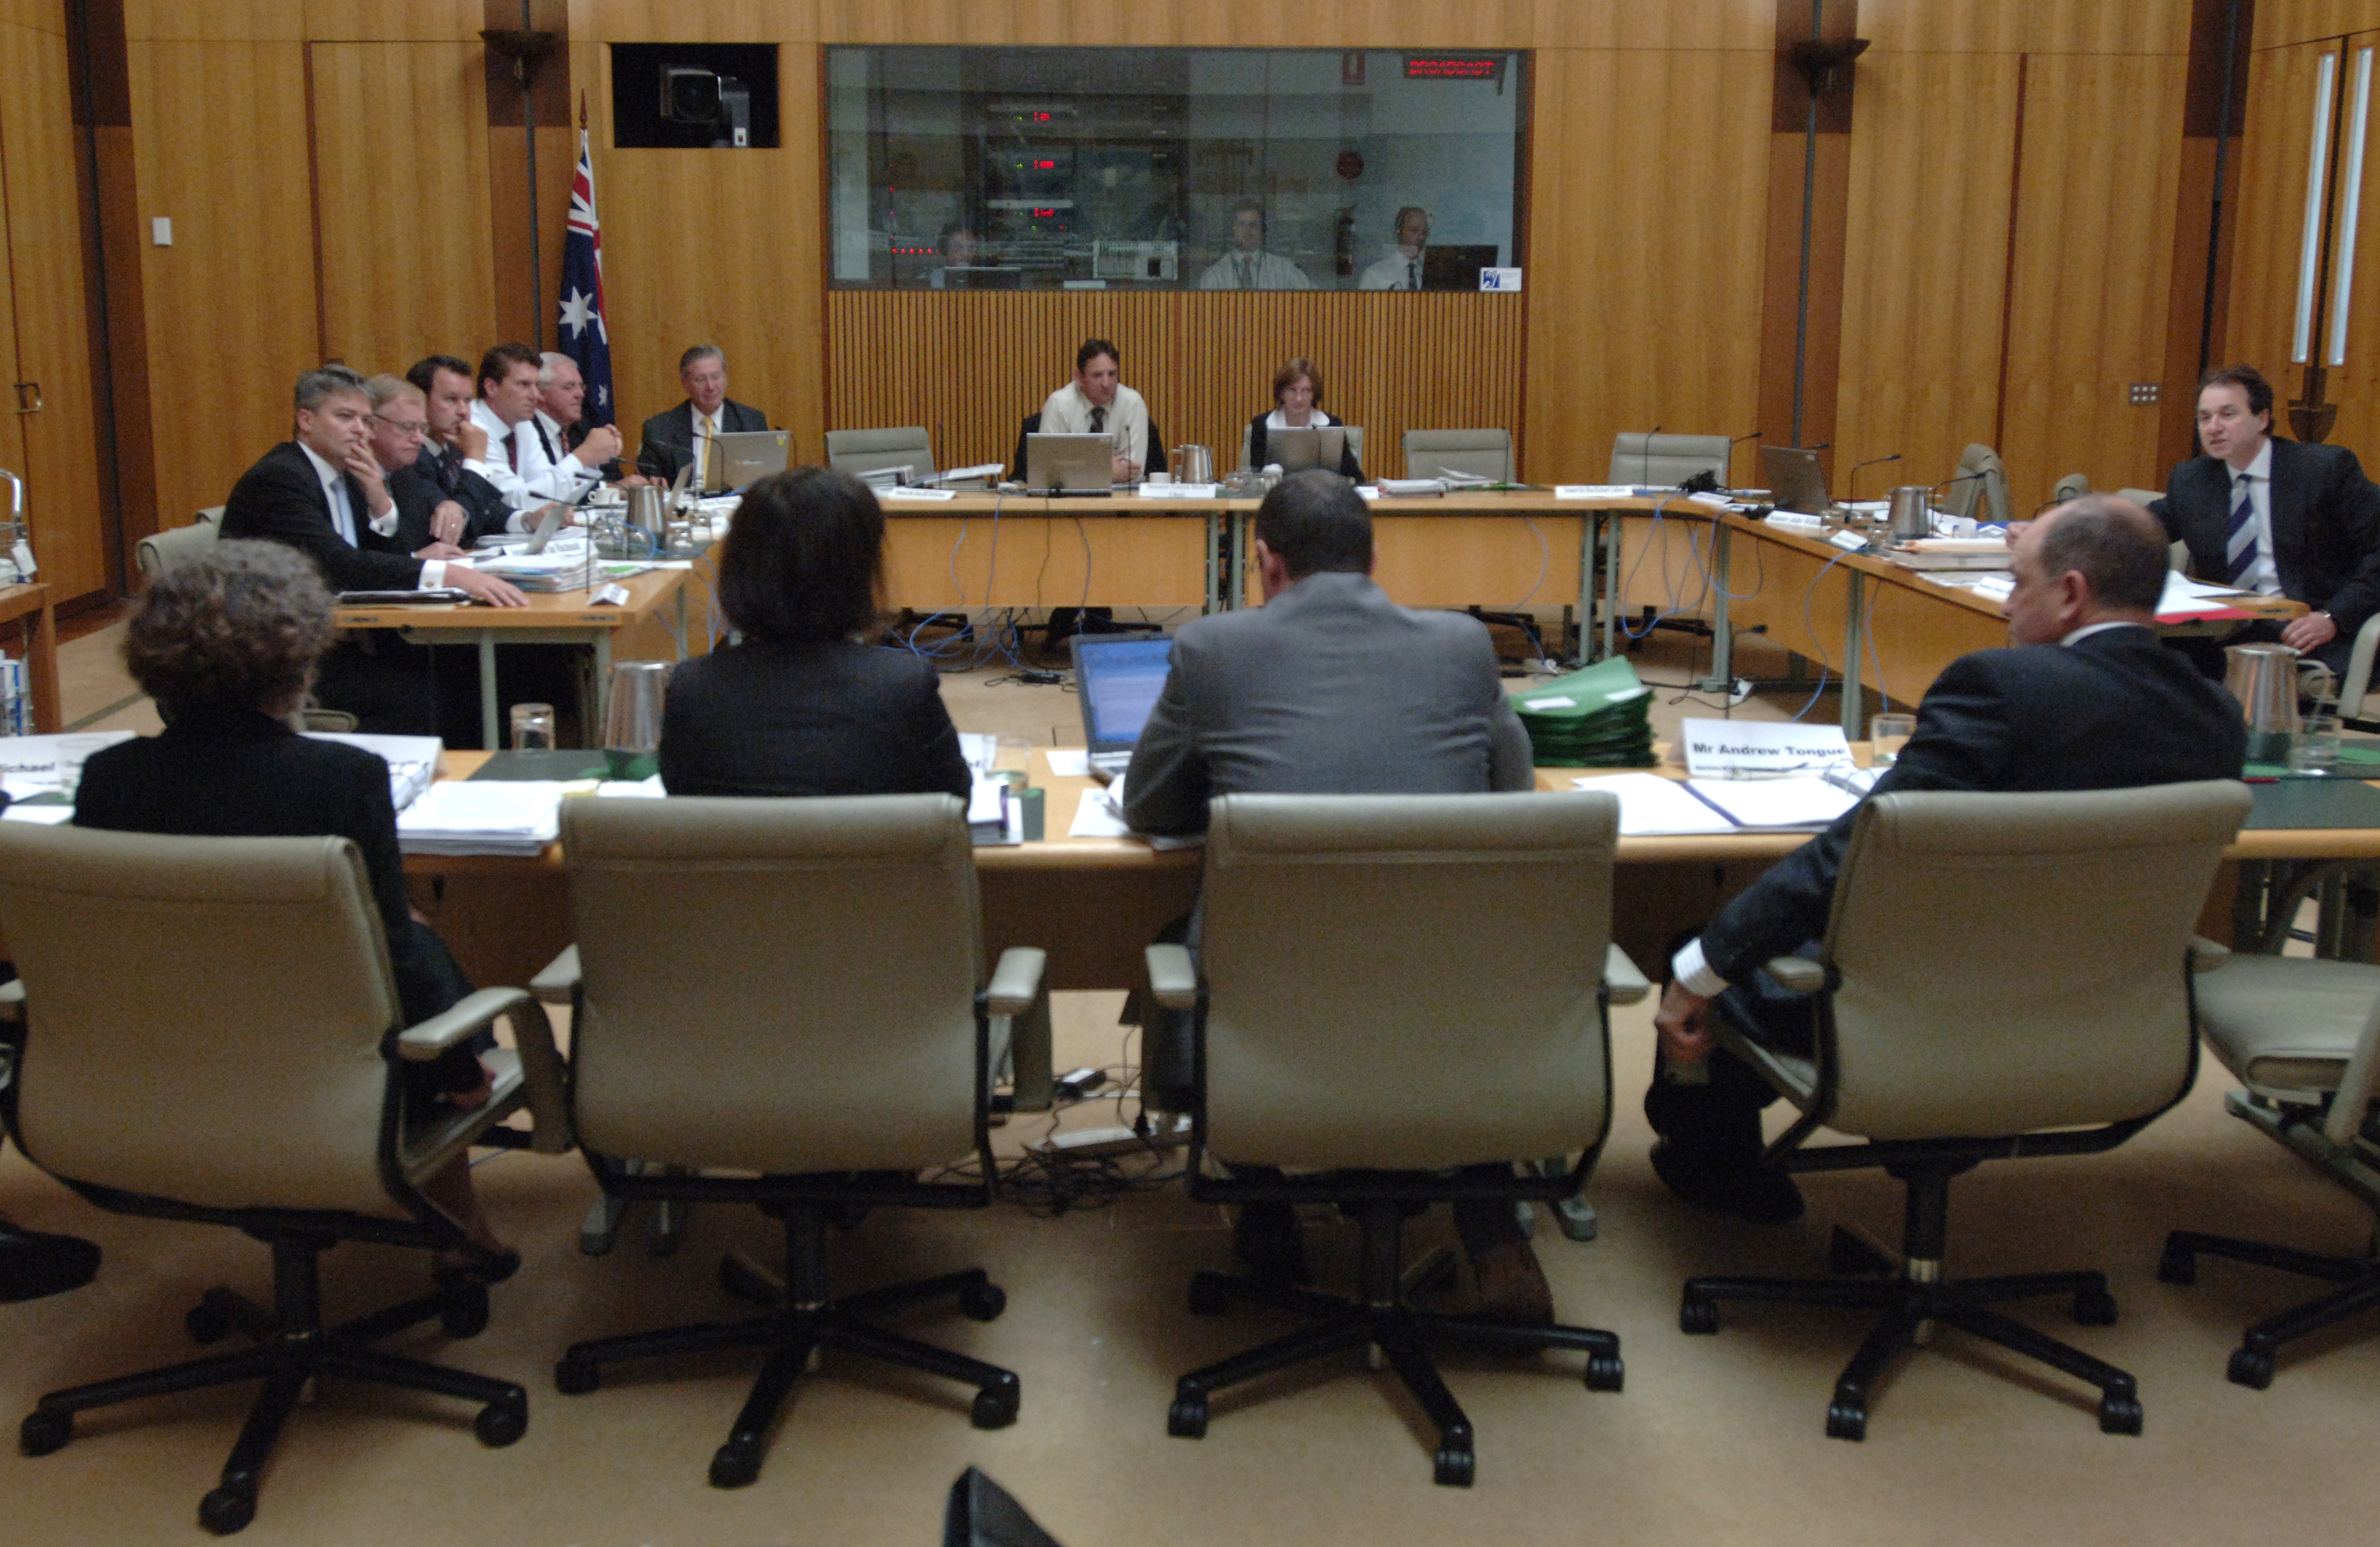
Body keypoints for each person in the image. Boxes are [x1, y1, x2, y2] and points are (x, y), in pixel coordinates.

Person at [1648, 495, 2250, 1223]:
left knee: (1704, 952)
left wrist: (1703, 963)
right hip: (2094, 1020)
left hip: (1926, 1014)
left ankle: (1719, 1175)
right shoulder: (2214, 714)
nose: (2003, 605)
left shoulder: (2000, 688)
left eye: (2016, 581)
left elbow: (1858, 852)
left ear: (2070, 595)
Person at [1121, 471, 1547, 1321]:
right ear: (1374, 557)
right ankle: (1494, 1232)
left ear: (1267, 564)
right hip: (1450, 1001)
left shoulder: (1211, 651)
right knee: (1451, 963)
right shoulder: (1464, 647)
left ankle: (1268, 1210)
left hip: (1276, 1008)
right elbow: (1513, 793)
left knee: (1185, 943)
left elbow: (1149, 808)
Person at [72, 542, 518, 1282]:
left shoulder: (108, 778)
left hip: (155, 1078)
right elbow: (391, 953)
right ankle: (458, 1233)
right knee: (416, 964)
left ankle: (457, 1229)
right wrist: (462, 1056)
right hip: (331, 1077)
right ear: (302, 658)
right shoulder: (341, 778)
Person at [219, 366, 526, 735]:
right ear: (306, 420)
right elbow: (339, 565)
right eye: (345, 417)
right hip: (278, 660)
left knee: (483, 669)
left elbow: (383, 552)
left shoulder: (346, 473)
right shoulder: (282, 478)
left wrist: (380, 502)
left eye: (365, 421)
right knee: (442, 694)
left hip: (338, 636)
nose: (359, 430)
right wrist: (450, 574)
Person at [659, 468, 970, 798]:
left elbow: (684, 809)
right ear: (859, 573)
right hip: (862, 850)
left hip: (743, 851)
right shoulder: (903, 685)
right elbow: (951, 809)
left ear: (739, 567)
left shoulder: (692, 689)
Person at [2151, 363, 2380, 675]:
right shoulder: (2191, 480)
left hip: (2311, 628)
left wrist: (2333, 618)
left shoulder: (2324, 471)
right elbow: (2143, 529)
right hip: (2225, 631)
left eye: (2227, 415)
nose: (2213, 427)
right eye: (2205, 418)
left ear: (2262, 418)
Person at [470, 342, 623, 511]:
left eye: (536, 385)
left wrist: (591, 459)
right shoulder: (473, 427)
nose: (536, 395)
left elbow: (548, 494)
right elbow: (515, 501)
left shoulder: (523, 426)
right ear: (491, 387)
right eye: (524, 385)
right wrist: (584, 455)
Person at [399, 354, 514, 542]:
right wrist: (476, 458)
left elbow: (487, 508)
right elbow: (456, 526)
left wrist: (526, 519)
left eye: (468, 400)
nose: (463, 411)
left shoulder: (453, 449)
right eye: (451, 399)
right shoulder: (410, 456)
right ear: (420, 401)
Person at [363, 375, 472, 558]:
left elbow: (419, 540)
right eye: (407, 427)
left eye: (422, 429)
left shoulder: (405, 473)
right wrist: (417, 560)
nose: (419, 439)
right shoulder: (352, 477)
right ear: (371, 426)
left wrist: (450, 505)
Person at [636, 344, 770, 487]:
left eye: (715, 377)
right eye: (701, 379)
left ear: (725, 378)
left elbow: (764, 478)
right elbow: (647, 480)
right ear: (685, 384)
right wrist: (652, 483)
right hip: (684, 507)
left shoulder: (751, 421)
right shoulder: (659, 429)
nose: (710, 387)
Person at [1036, 338, 1150, 488]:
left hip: (1120, 501)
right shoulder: (1059, 404)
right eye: (1097, 375)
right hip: (1067, 504)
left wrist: (1075, 469)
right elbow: (1048, 470)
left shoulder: (1132, 403)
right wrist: (1107, 471)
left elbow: (1133, 471)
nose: (1106, 383)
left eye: (1112, 374)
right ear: (1080, 378)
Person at [1245, 356, 1363, 479]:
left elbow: (1355, 476)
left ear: (1314, 394)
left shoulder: (1333, 424)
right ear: (1281, 393)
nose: (1299, 398)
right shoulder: (1262, 425)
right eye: (1292, 390)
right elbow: (1256, 477)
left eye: (1306, 391)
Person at [1195, 199, 1314, 290]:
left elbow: (1313, 302)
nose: (1248, 231)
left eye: (1254, 225)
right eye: (1242, 225)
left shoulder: (1285, 269)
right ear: (1232, 229)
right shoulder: (1215, 274)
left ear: (1263, 229)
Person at [1358, 206, 1431, 291]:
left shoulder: (1429, 275)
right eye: (1414, 231)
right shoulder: (1375, 274)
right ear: (1399, 231)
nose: (1421, 237)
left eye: (1424, 232)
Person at [928, 219, 982, 289]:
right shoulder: (928, 281)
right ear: (945, 250)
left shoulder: (984, 281)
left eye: (971, 248)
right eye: (958, 247)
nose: (965, 254)